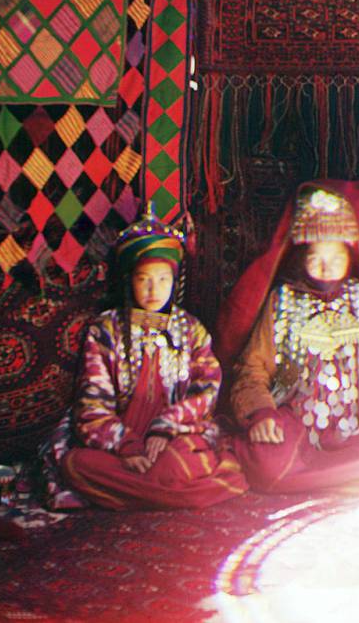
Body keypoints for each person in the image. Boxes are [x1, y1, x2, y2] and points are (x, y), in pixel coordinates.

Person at [215, 180, 359, 494]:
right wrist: (262, 414)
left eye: (335, 257)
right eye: (315, 258)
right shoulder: (282, 302)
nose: (325, 268)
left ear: (351, 257)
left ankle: (308, 481)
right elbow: (251, 370)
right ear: (301, 257)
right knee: (266, 462)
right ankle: (348, 481)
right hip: (294, 431)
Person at [40, 204, 247, 510]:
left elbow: (207, 391)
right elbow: (91, 402)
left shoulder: (191, 329)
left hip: (175, 436)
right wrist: (127, 444)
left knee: (176, 464)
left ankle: (138, 492)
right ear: (129, 280)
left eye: (163, 279)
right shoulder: (106, 330)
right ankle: (179, 494)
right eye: (143, 279)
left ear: (175, 282)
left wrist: (166, 425)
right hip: (119, 444)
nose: (154, 290)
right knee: (76, 463)